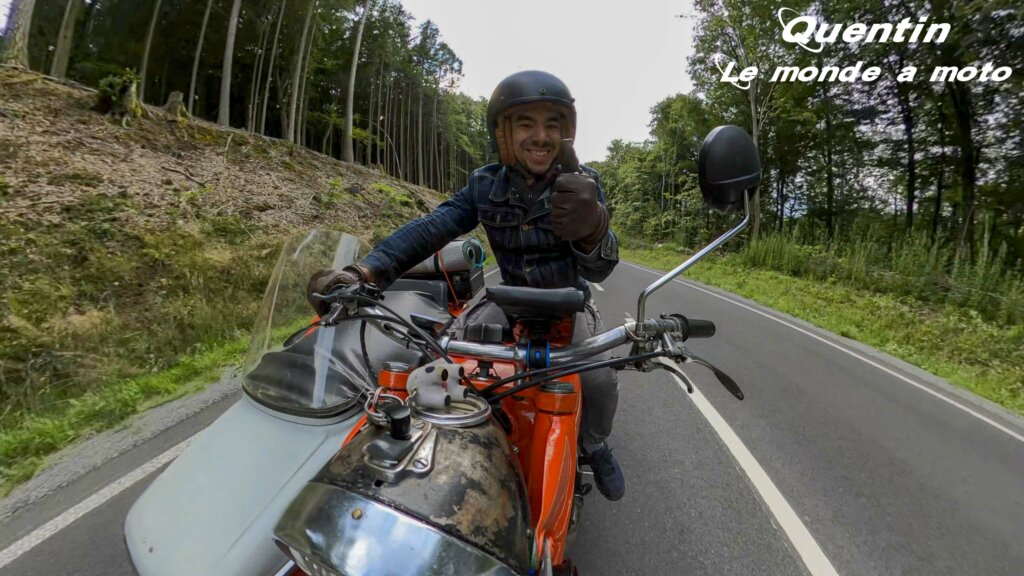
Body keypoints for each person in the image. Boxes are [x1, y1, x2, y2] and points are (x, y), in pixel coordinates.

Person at [307, 70, 624, 500]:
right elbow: (432, 228)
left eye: (552, 124)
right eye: (526, 123)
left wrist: (594, 227)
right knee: (439, 356)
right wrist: (364, 272)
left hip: (567, 303)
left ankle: (595, 446)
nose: (540, 136)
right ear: (503, 133)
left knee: (600, 382)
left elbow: (601, 269)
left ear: (566, 133)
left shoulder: (584, 183)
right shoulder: (483, 185)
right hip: (507, 298)